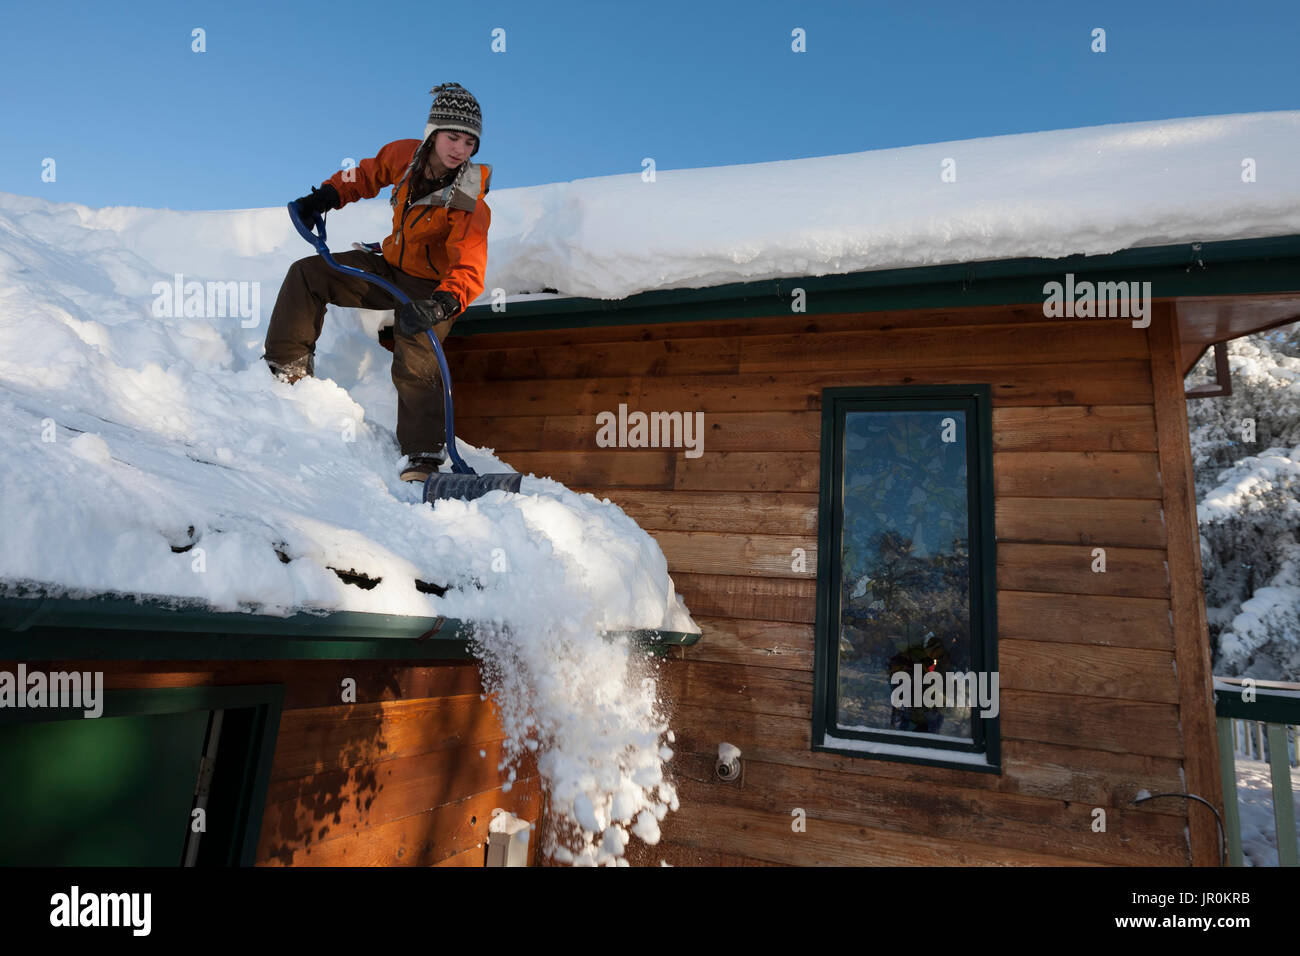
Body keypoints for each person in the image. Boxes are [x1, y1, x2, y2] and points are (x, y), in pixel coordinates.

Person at [262, 82, 491, 484]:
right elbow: (365, 174)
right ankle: (287, 370)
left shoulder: (468, 198)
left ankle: (423, 457)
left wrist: (443, 304)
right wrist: (326, 196)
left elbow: (469, 266)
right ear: (433, 133)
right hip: (389, 266)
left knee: (417, 345)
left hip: (432, 290)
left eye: (470, 142)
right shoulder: (405, 155)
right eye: (453, 136)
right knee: (308, 274)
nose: (460, 149)